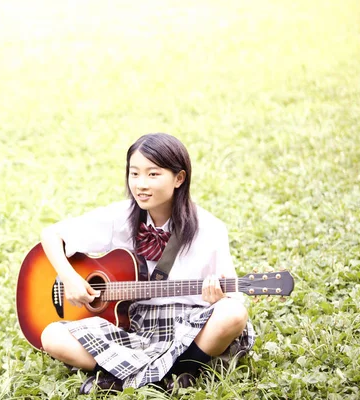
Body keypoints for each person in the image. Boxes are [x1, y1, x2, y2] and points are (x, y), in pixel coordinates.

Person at [39, 133, 255, 393]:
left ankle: (151, 373)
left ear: (179, 178)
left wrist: (217, 298)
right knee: (52, 336)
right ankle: (170, 377)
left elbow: (232, 301)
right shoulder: (120, 216)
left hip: (189, 326)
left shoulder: (210, 229)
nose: (141, 184)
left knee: (233, 315)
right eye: (134, 174)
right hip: (133, 326)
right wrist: (70, 278)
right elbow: (51, 235)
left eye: (153, 174)